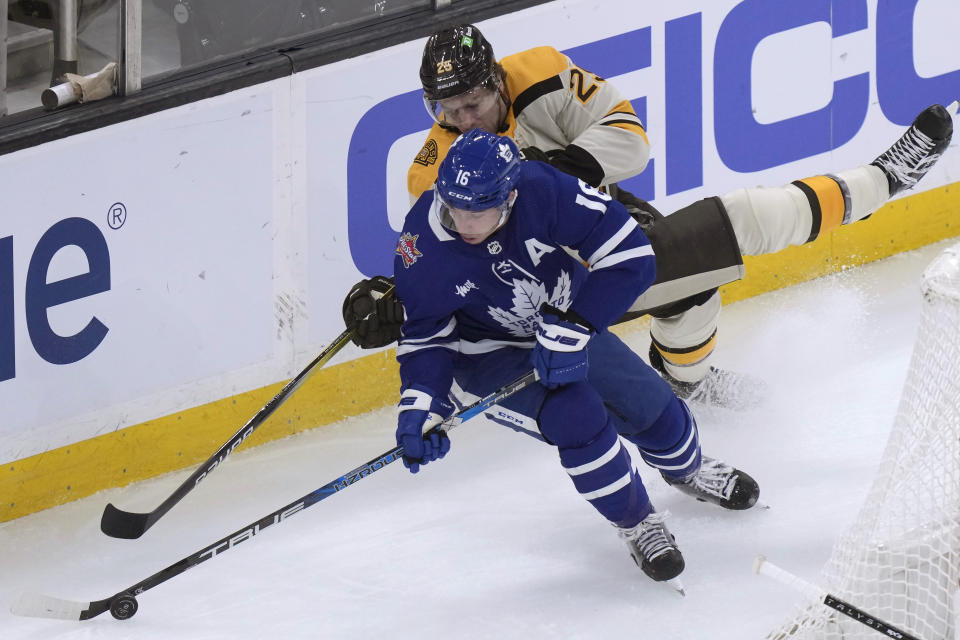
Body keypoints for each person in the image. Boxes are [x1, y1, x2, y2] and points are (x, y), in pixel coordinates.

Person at [344, 23, 956, 410]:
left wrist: (564, 173)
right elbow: (449, 258)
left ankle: (686, 381)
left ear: (498, 82)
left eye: (473, 103)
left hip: (602, 228)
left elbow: (631, 139)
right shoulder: (433, 167)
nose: (463, 120)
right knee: (738, 221)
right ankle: (882, 183)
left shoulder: (542, 75)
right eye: (447, 110)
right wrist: (398, 298)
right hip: (553, 286)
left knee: (695, 286)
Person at [392, 128, 760, 587]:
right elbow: (427, 337)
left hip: (564, 322)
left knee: (654, 412)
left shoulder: (544, 190)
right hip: (486, 355)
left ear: (510, 195)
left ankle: (688, 471)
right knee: (576, 416)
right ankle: (636, 522)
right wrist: (422, 405)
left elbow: (632, 255)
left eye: (479, 211)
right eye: (455, 208)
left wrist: (576, 325)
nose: (463, 223)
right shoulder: (419, 246)